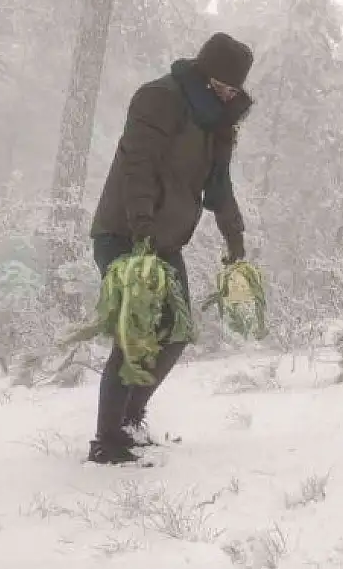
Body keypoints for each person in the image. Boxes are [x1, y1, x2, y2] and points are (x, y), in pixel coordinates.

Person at [85, 32, 254, 465]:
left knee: (176, 333)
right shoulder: (159, 98)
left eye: (233, 88)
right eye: (220, 84)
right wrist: (141, 227)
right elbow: (136, 166)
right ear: (203, 72)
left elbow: (218, 187)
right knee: (137, 332)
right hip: (124, 233)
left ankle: (131, 420)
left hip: (165, 240)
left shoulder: (218, 122)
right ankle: (108, 441)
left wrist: (234, 237)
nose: (226, 93)